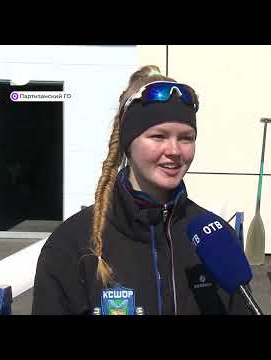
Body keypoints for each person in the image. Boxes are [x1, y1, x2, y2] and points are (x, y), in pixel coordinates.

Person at [31, 65, 254, 315]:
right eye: (158, 136)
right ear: (128, 143)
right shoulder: (70, 245)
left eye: (186, 138)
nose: (174, 150)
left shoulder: (216, 238)